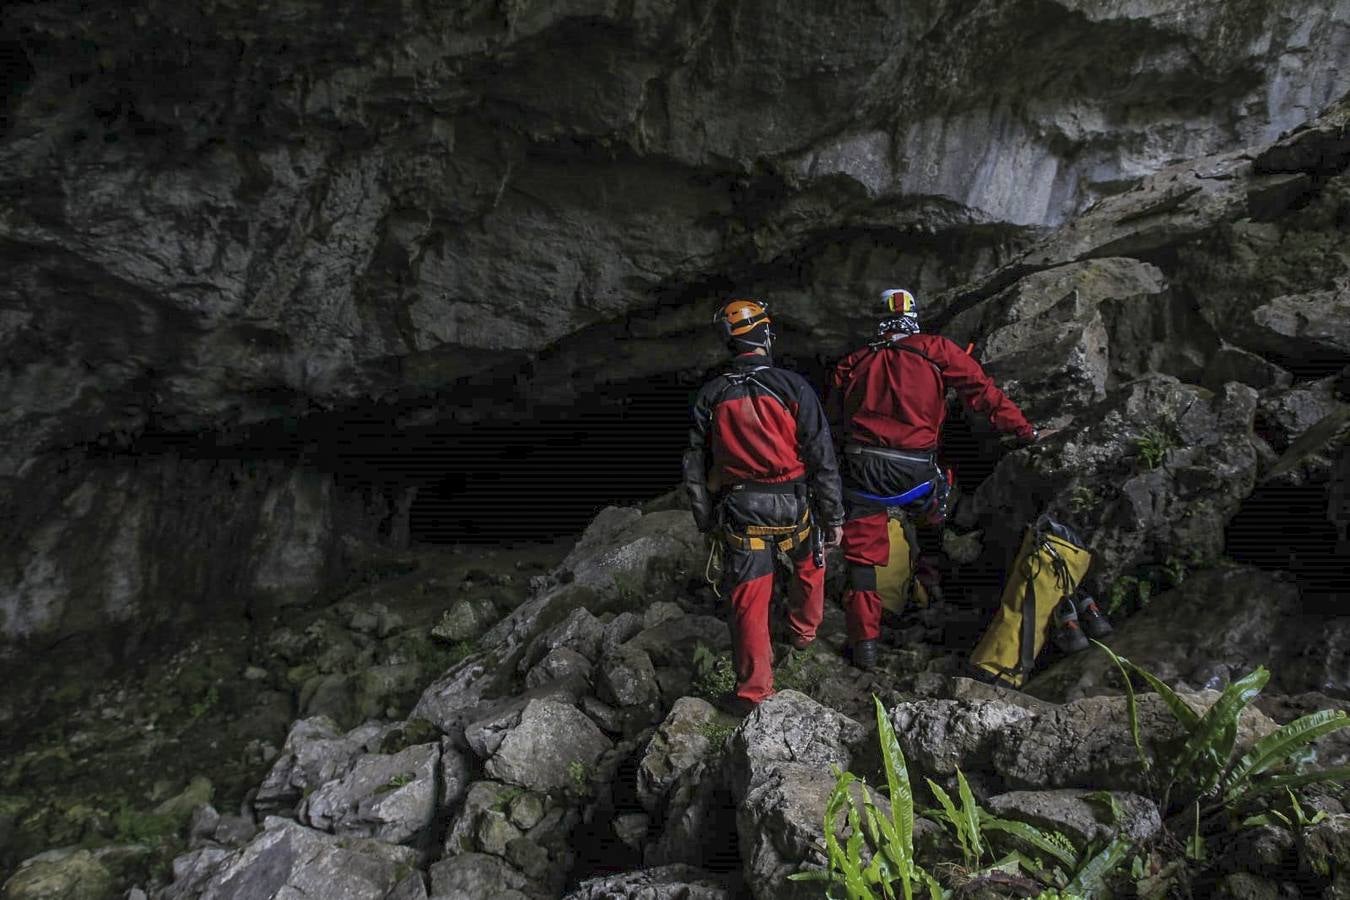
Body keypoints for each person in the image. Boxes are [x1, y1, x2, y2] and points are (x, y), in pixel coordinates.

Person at [826, 287, 1046, 670]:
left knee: (862, 561)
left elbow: (833, 420)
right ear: (915, 316)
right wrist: (1026, 432)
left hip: (862, 471)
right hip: (916, 472)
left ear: (879, 319)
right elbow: (984, 395)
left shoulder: (855, 361)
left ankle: (865, 646)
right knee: (939, 512)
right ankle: (937, 593)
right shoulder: (937, 350)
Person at [683, 298, 845, 716]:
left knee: (749, 598)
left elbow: (695, 464)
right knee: (810, 567)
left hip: (743, 510)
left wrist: (704, 517)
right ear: (765, 335)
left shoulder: (712, 394)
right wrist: (834, 516)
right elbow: (821, 455)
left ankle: (755, 690)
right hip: (794, 503)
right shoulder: (794, 386)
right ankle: (803, 633)